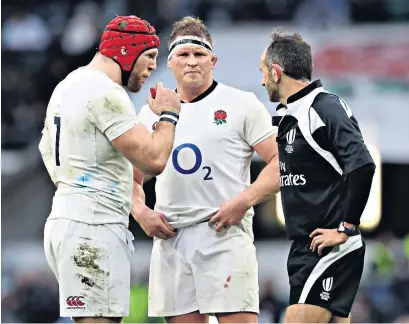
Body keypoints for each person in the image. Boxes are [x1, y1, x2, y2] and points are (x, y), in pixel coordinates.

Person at [132, 16, 280, 323]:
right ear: (169, 62)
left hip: (223, 233)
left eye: (199, 55)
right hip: (171, 239)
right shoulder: (150, 112)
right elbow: (128, 176)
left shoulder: (241, 104)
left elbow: (283, 162)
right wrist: (140, 212)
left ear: (213, 60)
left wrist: (244, 201)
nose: (191, 62)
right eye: (183, 55)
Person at [39, 15, 181, 323]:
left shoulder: (67, 86)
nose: (152, 67)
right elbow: (153, 159)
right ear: (128, 52)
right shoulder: (106, 93)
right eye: (150, 56)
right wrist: (169, 115)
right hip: (94, 228)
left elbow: (47, 152)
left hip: (66, 218)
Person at [259, 31, 376, 323]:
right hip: (306, 247)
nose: (262, 81)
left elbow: (363, 164)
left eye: (262, 72)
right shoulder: (291, 116)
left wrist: (347, 228)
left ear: (276, 72)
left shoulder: (323, 107)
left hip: (327, 247)